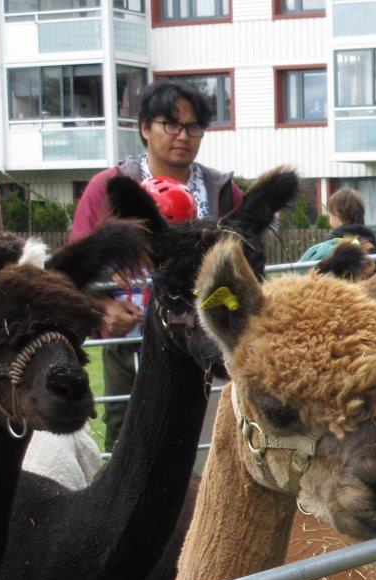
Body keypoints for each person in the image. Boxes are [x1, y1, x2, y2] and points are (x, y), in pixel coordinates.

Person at [70, 79, 243, 450]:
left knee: (206, 440)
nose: (183, 135)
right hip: (132, 339)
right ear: (145, 128)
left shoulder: (223, 192)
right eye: (171, 123)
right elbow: (72, 271)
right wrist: (100, 308)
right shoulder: (110, 188)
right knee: (129, 441)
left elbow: (246, 267)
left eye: (193, 126)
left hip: (206, 340)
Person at [298, 187, 376, 265]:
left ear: (337, 214)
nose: (328, 217)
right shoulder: (375, 244)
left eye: (330, 213)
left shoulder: (330, 246)